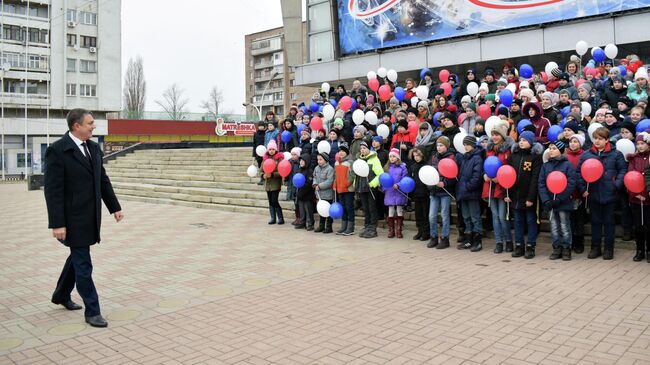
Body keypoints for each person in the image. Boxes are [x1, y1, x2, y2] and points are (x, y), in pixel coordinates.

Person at [44, 108, 124, 328]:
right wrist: (57, 223)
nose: (93, 126)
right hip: (71, 219)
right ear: (76, 126)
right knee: (83, 263)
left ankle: (61, 294)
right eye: (90, 123)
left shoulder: (93, 148)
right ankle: (93, 310)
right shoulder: (57, 151)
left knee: (77, 257)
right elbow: (53, 190)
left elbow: (102, 180)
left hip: (90, 217)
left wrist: (114, 207)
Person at [577, 127, 627, 260]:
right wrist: (583, 189)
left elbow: (623, 171)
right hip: (593, 194)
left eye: (600, 139)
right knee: (595, 222)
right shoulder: (587, 155)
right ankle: (595, 248)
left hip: (610, 194)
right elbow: (579, 173)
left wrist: (616, 185)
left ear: (607, 140)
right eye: (595, 138)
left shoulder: (616, 154)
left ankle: (609, 249)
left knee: (609, 223)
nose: (597, 141)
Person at [539, 140, 576, 261]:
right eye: (549, 148)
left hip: (563, 202)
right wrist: (546, 200)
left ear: (560, 151)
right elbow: (541, 184)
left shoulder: (567, 165)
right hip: (550, 202)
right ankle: (556, 247)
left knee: (565, 226)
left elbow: (571, 183)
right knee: (554, 226)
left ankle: (566, 248)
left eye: (554, 148)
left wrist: (560, 199)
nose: (551, 150)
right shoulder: (546, 166)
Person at [507, 131, 542, 259]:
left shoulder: (535, 157)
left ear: (531, 142)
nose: (521, 142)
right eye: (520, 140)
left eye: (525, 140)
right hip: (515, 195)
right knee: (518, 222)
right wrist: (508, 193)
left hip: (528, 196)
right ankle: (519, 246)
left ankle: (530, 247)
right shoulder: (514, 155)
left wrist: (530, 197)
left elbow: (535, 178)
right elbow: (507, 174)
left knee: (531, 221)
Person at [483, 120, 514, 253]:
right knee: (495, 216)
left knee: (502, 216)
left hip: (502, 188)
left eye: (497, 134)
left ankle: (508, 241)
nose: (494, 137)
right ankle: (498, 242)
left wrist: (500, 179)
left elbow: (509, 169)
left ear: (502, 136)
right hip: (490, 186)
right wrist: (485, 175)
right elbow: (486, 166)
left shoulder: (508, 150)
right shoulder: (489, 150)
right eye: (493, 134)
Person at [456, 135, 484, 251]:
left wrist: (467, 187)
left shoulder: (477, 158)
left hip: (472, 193)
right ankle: (468, 239)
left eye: (467, 144)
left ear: (473, 144)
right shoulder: (464, 158)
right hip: (463, 193)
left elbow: (476, 177)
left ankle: (477, 241)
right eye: (464, 145)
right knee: (466, 217)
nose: (466, 147)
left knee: (475, 217)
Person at [428, 136, 456, 249]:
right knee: (432, 216)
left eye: (441, 145)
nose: (439, 147)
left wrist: (444, 183)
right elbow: (429, 172)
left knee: (445, 216)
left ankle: (445, 238)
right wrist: (430, 183)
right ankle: (433, 237)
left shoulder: (451, 157)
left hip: (445, 191)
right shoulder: (434, 157)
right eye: (438, 145)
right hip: (434, 191)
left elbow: (453, 174)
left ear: (446, 146)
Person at [627, 132, 650, 262]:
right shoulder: (634, 159)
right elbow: (630, 178)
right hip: (636, 198)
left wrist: (646, 194)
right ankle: (639, 250)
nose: (640, 146)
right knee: (638, 226)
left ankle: (649, 250)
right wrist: (636, 194)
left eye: (643, 143)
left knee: (649, 226)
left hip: (648, 198)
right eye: (638, 144)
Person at [355, 142, 384, 238]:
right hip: (362, 188)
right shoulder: (360, 159)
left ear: (369, 149)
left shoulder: (374, 159)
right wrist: (356, 184)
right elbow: (358, 173)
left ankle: (373, 228)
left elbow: (380, 174)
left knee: (372, 208)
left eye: (364, 148)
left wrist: (372, 184)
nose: (362, 150)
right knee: (365, 209)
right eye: (361, 148)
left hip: (371, 188)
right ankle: (367, 226)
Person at [566, 134, 587, 253]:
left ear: (580, 144)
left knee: (579, 218)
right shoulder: (565, 156)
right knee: (569, 219)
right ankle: (571, 241)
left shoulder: (584, 156)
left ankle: (579, 242)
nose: (572, 144)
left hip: (580, 192)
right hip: (567, 192)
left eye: (575, 142)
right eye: (571, 141)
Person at [384, 148, 409, 238]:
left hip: (399, 191)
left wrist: (398, 185)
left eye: (394, 156)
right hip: (390, 191)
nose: (392, 158)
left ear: (398, 158)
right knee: (390, 210)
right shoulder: (387, 168)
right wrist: (385, 188)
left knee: (399, 209)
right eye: (390, 156)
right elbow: (384, 179)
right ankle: (391, 230)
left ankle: (399, 230)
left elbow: (404, 179)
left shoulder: (402, 167)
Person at [409, 148, 431, 243]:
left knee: (425, 213)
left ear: (422, 155)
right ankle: (420, 231)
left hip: (425, 193)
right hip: (416, 193)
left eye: (418, 156)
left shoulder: (426, 166)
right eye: (414, 156)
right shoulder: (413, 166)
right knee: (418, 213)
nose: (416, 158)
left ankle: (426, 232)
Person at [334, 143, 356, 236]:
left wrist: (348, 183)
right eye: (340, 151)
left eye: (343, 151)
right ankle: (344, 226)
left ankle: (350, 227)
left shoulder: (350, 162)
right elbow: (335, 176)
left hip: (348, 189)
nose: (341, 153)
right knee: (343, 207)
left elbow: (352, 175)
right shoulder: (337, 163)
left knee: (349, 207)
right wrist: (335, 184)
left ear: (347, 152)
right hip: (340, 189)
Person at [263, 140, 285, 225]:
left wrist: (272, 174)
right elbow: (261, 170)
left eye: (273, 149)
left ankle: (280, 218)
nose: (271, 151)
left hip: (275, 184)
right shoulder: (265, 159)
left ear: (276, 149)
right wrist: (263, 176)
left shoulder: (279, 159)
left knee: (274, 200)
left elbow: (281, 171)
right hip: (267, 184)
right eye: (270, 149)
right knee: (270, 201)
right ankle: (273, 217)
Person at [313, 153, 335, 233]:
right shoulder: (316, 168)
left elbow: (330, 181)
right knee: (321, 210)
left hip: (327, 194)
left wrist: (320, 186)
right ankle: (321, 226)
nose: (319, 161)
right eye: (318, 159)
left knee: (328, 211)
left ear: (325, 160)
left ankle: (329, 227)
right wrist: (315, 184)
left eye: (320, 159)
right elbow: (314, 177)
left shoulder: (330, 169)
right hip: (319, 195)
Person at [294, 153, 315, 231]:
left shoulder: (309, 171)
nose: (301, 162)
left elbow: (308, 183)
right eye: (300, 161)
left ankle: (310, 223)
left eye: (303, 161)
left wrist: (301, 193)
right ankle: (302, 222)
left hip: (307, 194)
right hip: (300, 194)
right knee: (301, 209)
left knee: (308, 209)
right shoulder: (299, 170)